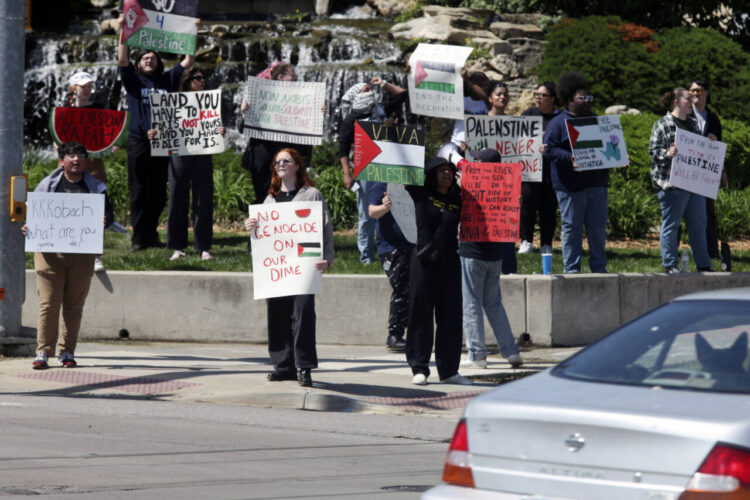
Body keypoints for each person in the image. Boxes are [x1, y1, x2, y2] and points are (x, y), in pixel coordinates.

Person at [244, 148, 334, 387]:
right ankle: (283, 365)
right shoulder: (270, 199)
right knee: (277, 312)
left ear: (297, 166)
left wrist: (327, 258)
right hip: (277, 269)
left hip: (304, 267)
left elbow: (325, 229)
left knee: (303, 313)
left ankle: (303, 366)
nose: (281, 164)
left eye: (287, 161)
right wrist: (251, 226)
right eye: (277, 162)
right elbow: (263, 236)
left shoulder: (312, 195)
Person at [23, 142, 114, 369]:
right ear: (62, 160)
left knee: (74, 306)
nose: (76, 159)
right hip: (49, 255)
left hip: (82, 255)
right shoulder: (47, 186)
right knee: (49, 304)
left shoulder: (97, 188)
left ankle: (67, 352)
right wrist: (28, 226)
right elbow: (33, 215)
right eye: (71, 155)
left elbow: (109, 215)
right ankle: (43, 352)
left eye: (80, 155)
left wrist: (106, 220)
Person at [117, 16, 195, 251]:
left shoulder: (167, 80)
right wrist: (123, 30)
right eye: (144, 57)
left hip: (162, 142)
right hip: (139, 141)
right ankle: (138, 238)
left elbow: (188, 60)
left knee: (159, 192)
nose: (149, 59)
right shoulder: (134, 81)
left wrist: (193, 31)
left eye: (153, 57)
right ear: (139, 63)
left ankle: (151, 234)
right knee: (140, 189)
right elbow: (122, 58)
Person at [147, 67, 225, 261]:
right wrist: (154, 134)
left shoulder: (210, 103)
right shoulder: (173, 103)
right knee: (177, 200)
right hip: (179, 155)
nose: (202, 81)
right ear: (188, 81)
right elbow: (163, 128)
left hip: (203, 155)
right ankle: (177, 246)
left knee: (203, 201)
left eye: (203, 77)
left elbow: (215, 128)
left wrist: (221, 131)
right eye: (198, 78)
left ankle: (203, 246)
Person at [405, 157, 469, 386]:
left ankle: (449, 371)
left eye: (450, 171)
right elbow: (404, 166)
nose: (447, 174)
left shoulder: (459, 198)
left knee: (450, 317)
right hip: (423, 263)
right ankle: (419, 368)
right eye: (441, 170)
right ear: (432, 174)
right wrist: (392, 135)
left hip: (450, 263)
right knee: (421, 315)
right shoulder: (421, 194)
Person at [459, 149, 523, 370]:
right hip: (496, 255)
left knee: (471, 304)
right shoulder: (507, 186)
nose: (473, 162)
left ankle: (477, 355)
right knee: (494, 304)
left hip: (472, 252)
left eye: (477, 160)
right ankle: (511, 352)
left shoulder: (472, 186)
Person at [545, 72, 609, 274]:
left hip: (596, 183)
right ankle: (572, 269)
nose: (587, 101)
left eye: (588, 97)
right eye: (582, 98)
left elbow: (608, 147)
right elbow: (550, 149)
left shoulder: (597, 120)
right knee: (572, 227)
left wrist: (618, 158)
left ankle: (599, 267)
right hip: (569, 186)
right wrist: (569, 158)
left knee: (597, 228)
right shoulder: (558, 123)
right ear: (569, 100)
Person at [338, 77, 406, 265]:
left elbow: (403, 95)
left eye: (371, 88)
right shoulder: (351, 119)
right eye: (364, 89)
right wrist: (347, 173)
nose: (369, 90)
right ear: (355, 95)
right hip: (365, 170)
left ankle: (392, 249)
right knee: (366, 214)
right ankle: (366, 256)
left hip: (389, 166)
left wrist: (384, 84)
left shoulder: (381, 109)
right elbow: (342, 149)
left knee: (393, 208)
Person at [649, 87, 712, 273]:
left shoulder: (693, 124)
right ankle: (670, 264)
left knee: (699, 224)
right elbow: (653, 152)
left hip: (694, 184)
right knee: (672, 224)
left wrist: (709, 144)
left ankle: (703, 264)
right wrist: (668, 153)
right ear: (676, 102)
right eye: (687, 98)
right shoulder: (662, 124)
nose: (692, 101)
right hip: (672, 184)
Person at [239, 62, 317, 205]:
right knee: (263, 198)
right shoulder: (260, 95)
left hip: (287, 161)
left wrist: (318, 112)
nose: (296, 79)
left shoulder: (302, 99)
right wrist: (245, 114)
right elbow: (241, 128)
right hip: (262, 160)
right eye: (293, 75)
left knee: (287, 197)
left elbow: (307, 127)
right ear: (280, 77)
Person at [66, 71, 114, 272]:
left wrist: (112, 144)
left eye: (89, 85)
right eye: (83, 85)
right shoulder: (64, 111)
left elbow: (110, 133)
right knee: (68, 206)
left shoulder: (99, 109)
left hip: (93, 163)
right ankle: (68, 248)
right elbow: (56, 135)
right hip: (68, 163)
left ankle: (95, 255)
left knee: (95, 206)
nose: (87, 89)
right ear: (73, 88)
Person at [368, 181, 414, 352]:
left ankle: (408, 333)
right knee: (401, 289)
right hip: (391, 247)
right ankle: (394, 334)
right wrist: (385, 207)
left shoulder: (413, 184)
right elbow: (372, 212)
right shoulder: (382, 185)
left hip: (412, 243)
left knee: (412, 290)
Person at [689, 78, 728, 267]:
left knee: (707, 214)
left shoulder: (713, 119)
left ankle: (711, 251)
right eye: (692, 91)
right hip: (686, 172)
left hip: (705, 174)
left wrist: (722, 172)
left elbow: (719, 148)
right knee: (682, 212)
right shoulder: (685, 115)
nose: (695, 94)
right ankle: (676, 252)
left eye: (698, 91)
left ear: (706, 93)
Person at [519, 82, 560, 255]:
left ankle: (546, 244)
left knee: (548, 207)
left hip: (551, 171)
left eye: (542, 95)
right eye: (536, 94)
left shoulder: (559, 119)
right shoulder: (528, 115)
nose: (538, 97)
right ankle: (526, 241)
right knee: (527, 205)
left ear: (553, 99)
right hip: (529, 170)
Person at [485, 82, 518, 274]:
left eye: (505, 94)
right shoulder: (477, 122)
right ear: (490, 98)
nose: (502, 97)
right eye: (498, 94)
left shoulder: (515, 125)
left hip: (506, 186)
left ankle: (509, 269)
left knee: (506, 230)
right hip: (484, 186)